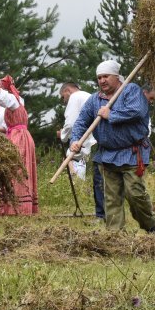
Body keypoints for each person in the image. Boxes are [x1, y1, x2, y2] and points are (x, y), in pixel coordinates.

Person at [70, 60, 155, 233]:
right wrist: (75, 139)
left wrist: (111, 114)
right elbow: (81, 121)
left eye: (106, 76)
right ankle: (115, 235)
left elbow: (137, 111)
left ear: (116, 77)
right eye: (99, 77)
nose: (102, 80)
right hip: (108, 155)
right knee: (111, 198)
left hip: (132, 153)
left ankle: (150, 227)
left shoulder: (131, 90)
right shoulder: (95, 100)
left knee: (135, 194)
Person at [0, 73, 39, 215]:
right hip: (22, 137)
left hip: (18, 138)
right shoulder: (17, 100)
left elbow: (2, 97)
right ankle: (14, 206)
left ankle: (17, 207)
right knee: (16, 170)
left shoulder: (13, 100)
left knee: (15, 171)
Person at [59, 82, 101, 216]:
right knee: (100, 176)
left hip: (90, 140)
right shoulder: (90, 96)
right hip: (99, 139)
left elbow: (71, 122)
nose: (63, 101)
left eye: (62, 97)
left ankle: (100, 212)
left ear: (67, 91)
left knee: (98, 178)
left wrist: (63, 136)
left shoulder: (74, 97)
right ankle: (100, 210)